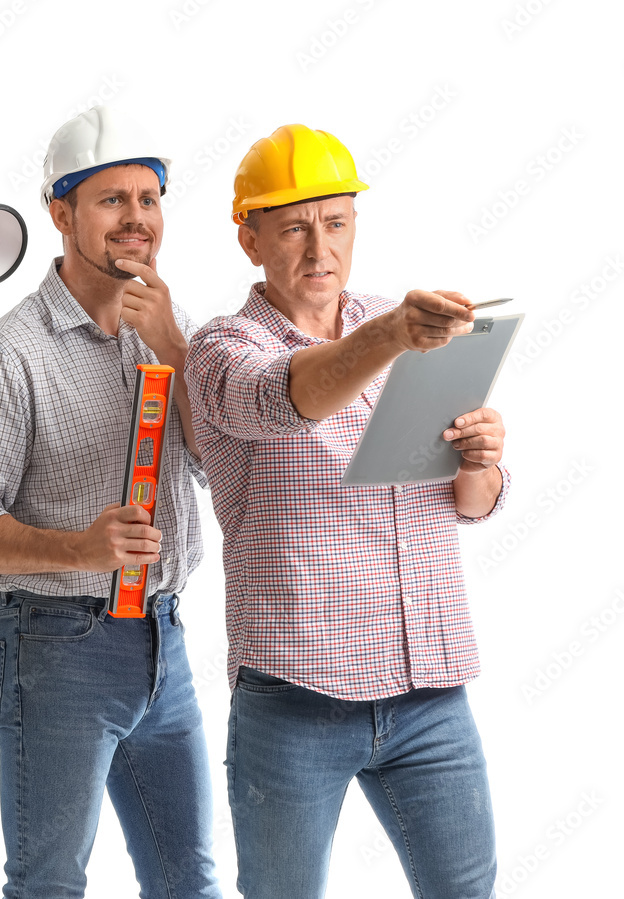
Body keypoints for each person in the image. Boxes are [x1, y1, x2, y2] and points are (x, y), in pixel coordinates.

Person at [184, 124, 510, 899]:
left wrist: (483, 462)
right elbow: (286, 398)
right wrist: (392, 335)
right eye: (294, 226)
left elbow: (468, 504)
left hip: (430, 692)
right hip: (299, 702)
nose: (318, 247)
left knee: (468, 889)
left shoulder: (400, 321)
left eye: (335, 222)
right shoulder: (222, 348)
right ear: (249, 237)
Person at [0, 106, 222, 899]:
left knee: (189, 878)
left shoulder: (171, 327)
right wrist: (79, 550)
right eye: (112, 201)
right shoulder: (7, 356)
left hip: (166, 642)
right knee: (50, 883)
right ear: (61, 214)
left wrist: (177, 351)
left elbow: (214, 462)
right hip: (58, 652)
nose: (136, 220)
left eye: (148, 199)